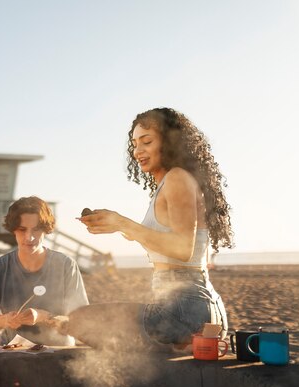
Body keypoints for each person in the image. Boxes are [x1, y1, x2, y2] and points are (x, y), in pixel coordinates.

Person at [71, 108, 232, 350]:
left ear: (169, 143)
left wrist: (122, 222)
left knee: (80, 321)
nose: (138, 151)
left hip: (185, 309)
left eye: (147, 141)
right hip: (188, 306)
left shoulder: (177, 178)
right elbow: (171, 242)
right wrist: (117, 226)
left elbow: (182, 249)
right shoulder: (169, 182)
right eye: (135, 144)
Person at [0, 196, 89, 346]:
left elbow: (80, 321)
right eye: (22, 230)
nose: (29, 237)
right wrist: (5, 320)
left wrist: (43, 317)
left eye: (36, 230)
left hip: (58, 351)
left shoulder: (66, 266)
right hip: (11, 352)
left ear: (45, 229)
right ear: (13, 230)